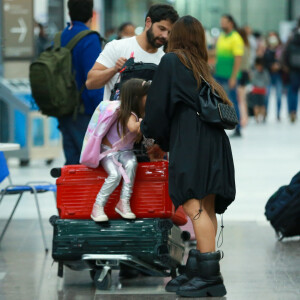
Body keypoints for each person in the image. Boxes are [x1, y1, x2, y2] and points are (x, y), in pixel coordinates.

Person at [141, 16, 235, 298]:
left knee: (194, 204)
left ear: (177, 37)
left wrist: (152, 138)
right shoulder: (200, 67)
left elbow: (158, 108)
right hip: (213, 141)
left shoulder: (171, 61)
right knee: (204, 206)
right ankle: (198, 270)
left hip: (192, 143)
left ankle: (210, 277)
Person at [86, 3, 179, 100]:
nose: (165, 36)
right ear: (148, 22)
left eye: (169, 32)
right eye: (161, 28)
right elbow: (90, 83)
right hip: (116, 114)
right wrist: (114, 70)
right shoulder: (117, 47)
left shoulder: (165, 60)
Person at [91, 79, 151, 222]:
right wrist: (146, 121)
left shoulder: (137, 114)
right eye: (147, 95)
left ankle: (124, 202)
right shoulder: (127, 114)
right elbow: (133, 128)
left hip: (125, 152)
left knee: (131, 164)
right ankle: (97, 206)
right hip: (110, 152)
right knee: (115, 174)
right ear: (137, 97)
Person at [58, 0, 104, 165]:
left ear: (69, 13)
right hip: (84, 114)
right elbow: (93, 80)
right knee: (89, 165)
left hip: (63, 110)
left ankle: (67, 192)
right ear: (92, 14)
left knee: (71, 163)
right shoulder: (89, 38)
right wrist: (102, 113)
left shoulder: (60, 36)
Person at [215, 14, 244, 137]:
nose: (222, 24)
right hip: (218, 75)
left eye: (224, 22)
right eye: (221, 21)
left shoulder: (236, 38)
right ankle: (221, 123)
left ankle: (238, 128)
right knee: (218, 101)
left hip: (230, 76)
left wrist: (233, 76)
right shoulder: (221, 36)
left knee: (232, 101)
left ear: (231, 23)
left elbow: (238, 58)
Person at [282, 18, 300, 123]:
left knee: (292, 91)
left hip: (292, 68)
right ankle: (294, 112)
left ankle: (292, 112)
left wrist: (285, 66)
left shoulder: (292, 35)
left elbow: (285, 51)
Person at [263, 31, 283, 121]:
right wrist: (271, 66)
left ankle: (278, 114)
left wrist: (279, 66)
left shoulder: (281, 51)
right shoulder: (266, 51)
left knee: (279, 95)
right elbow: (263, 63)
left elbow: (284, 61)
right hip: (268, 76)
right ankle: (265, 113)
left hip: (279, 75)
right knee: (267, 95)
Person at [237, 27, 251, 127]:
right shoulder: (247, 46)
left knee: (240, 99)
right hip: (245, 72)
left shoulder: (240, 46)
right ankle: (245, 118)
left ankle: (243, 119)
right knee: (243, 98)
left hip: (240, 73)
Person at [249, 57, 270, 122]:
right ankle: (259, 118)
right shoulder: (265, 72)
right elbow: (267, 81)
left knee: (258, 105)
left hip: (258, 90)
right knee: (259, 105)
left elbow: (252, 81)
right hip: (260, 90)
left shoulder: (255, 72)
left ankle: (259, 118)